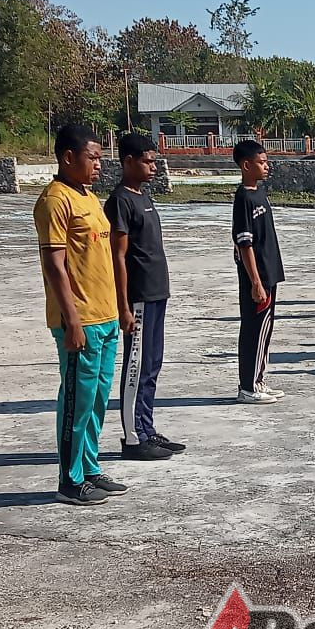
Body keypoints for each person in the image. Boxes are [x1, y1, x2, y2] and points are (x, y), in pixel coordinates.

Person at [34, 125, 125, 505]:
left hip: (105, 316)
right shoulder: (55, 201)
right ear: (68, 157)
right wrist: (71, 320)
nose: (99, 165)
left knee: (98, 399)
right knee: (76, 400)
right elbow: (54, 266)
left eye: (101, 158)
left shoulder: (87, 196)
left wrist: (119, 309)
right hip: (80, 319)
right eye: (93, 158)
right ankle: (69, 480)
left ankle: (89, 468)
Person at [106, 133, 185, 461]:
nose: (153, 167)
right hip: (137, 297)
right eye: (147, 161)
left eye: (154, 161)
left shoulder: (144, 197)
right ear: (128, 162)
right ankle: (133, 437)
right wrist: (123, 306)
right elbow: (118, 256)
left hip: (156, 293)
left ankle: (147, 428)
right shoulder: (120, 201)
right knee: (136, 367)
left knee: (152, 364)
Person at [232, 140, 285, 404]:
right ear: (246, 165)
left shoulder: (259, 194)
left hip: (269, 273)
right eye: (261, 162)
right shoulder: (243, 198)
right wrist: (255, 281)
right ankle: (248, 386)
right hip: (258, 277)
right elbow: (244, 243)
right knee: (254, 330)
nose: (266, 166)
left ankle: (259, 380)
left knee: (265, 330)